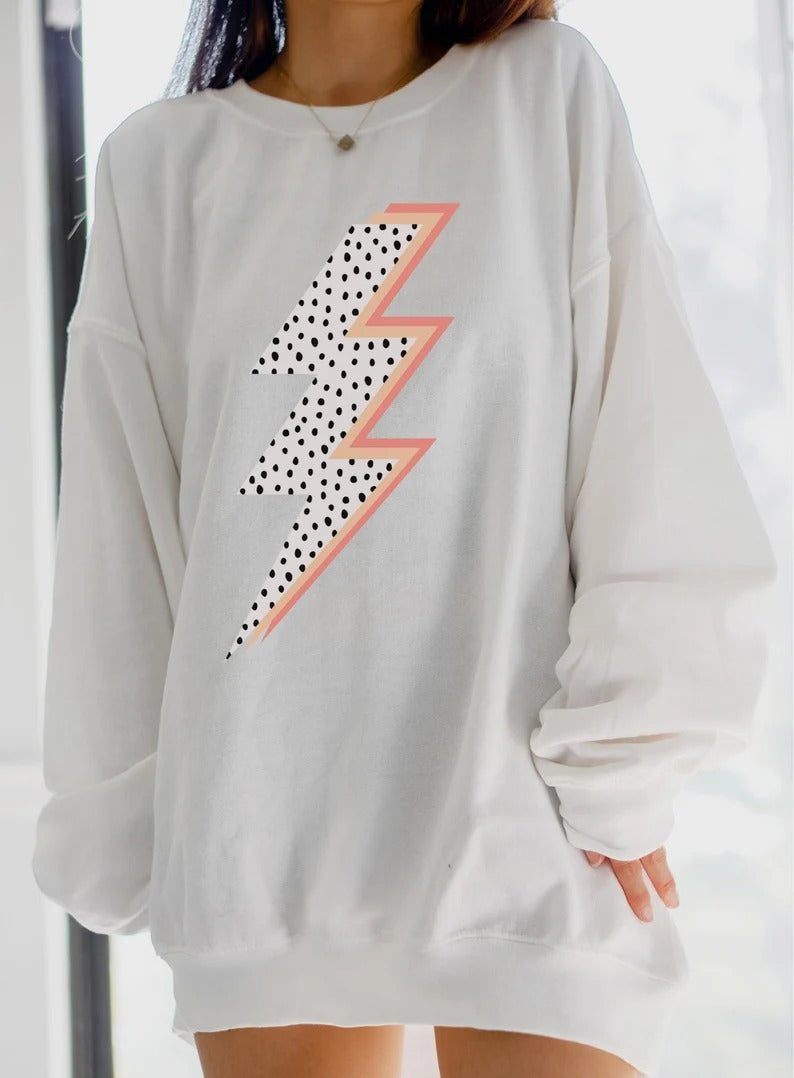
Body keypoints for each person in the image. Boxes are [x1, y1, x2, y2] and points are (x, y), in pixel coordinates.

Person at [30, 1, 777, 1076]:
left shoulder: (543, 96)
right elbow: (121, 549)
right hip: (261, 864)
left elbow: (641, 439)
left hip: (525, 842)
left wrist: (626, 759)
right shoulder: (157, 169)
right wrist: (134, 829)